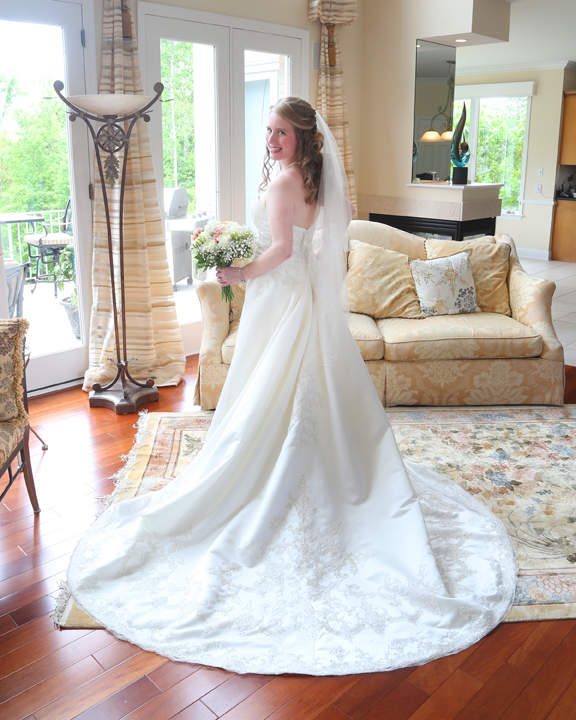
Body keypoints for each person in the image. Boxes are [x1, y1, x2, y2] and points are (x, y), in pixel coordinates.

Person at [66, 97, 516, 676]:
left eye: (280, 132)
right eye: (270, 131)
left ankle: (273, 474)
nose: (271, 140)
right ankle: (338, 469)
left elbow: (279, 251)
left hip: (280, 295)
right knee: (307, 392)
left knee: (273, 391)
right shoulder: (315, 180)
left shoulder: (283, 182)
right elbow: (322, 240)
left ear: (303, 136)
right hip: (300, 297)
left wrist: (236, 271)